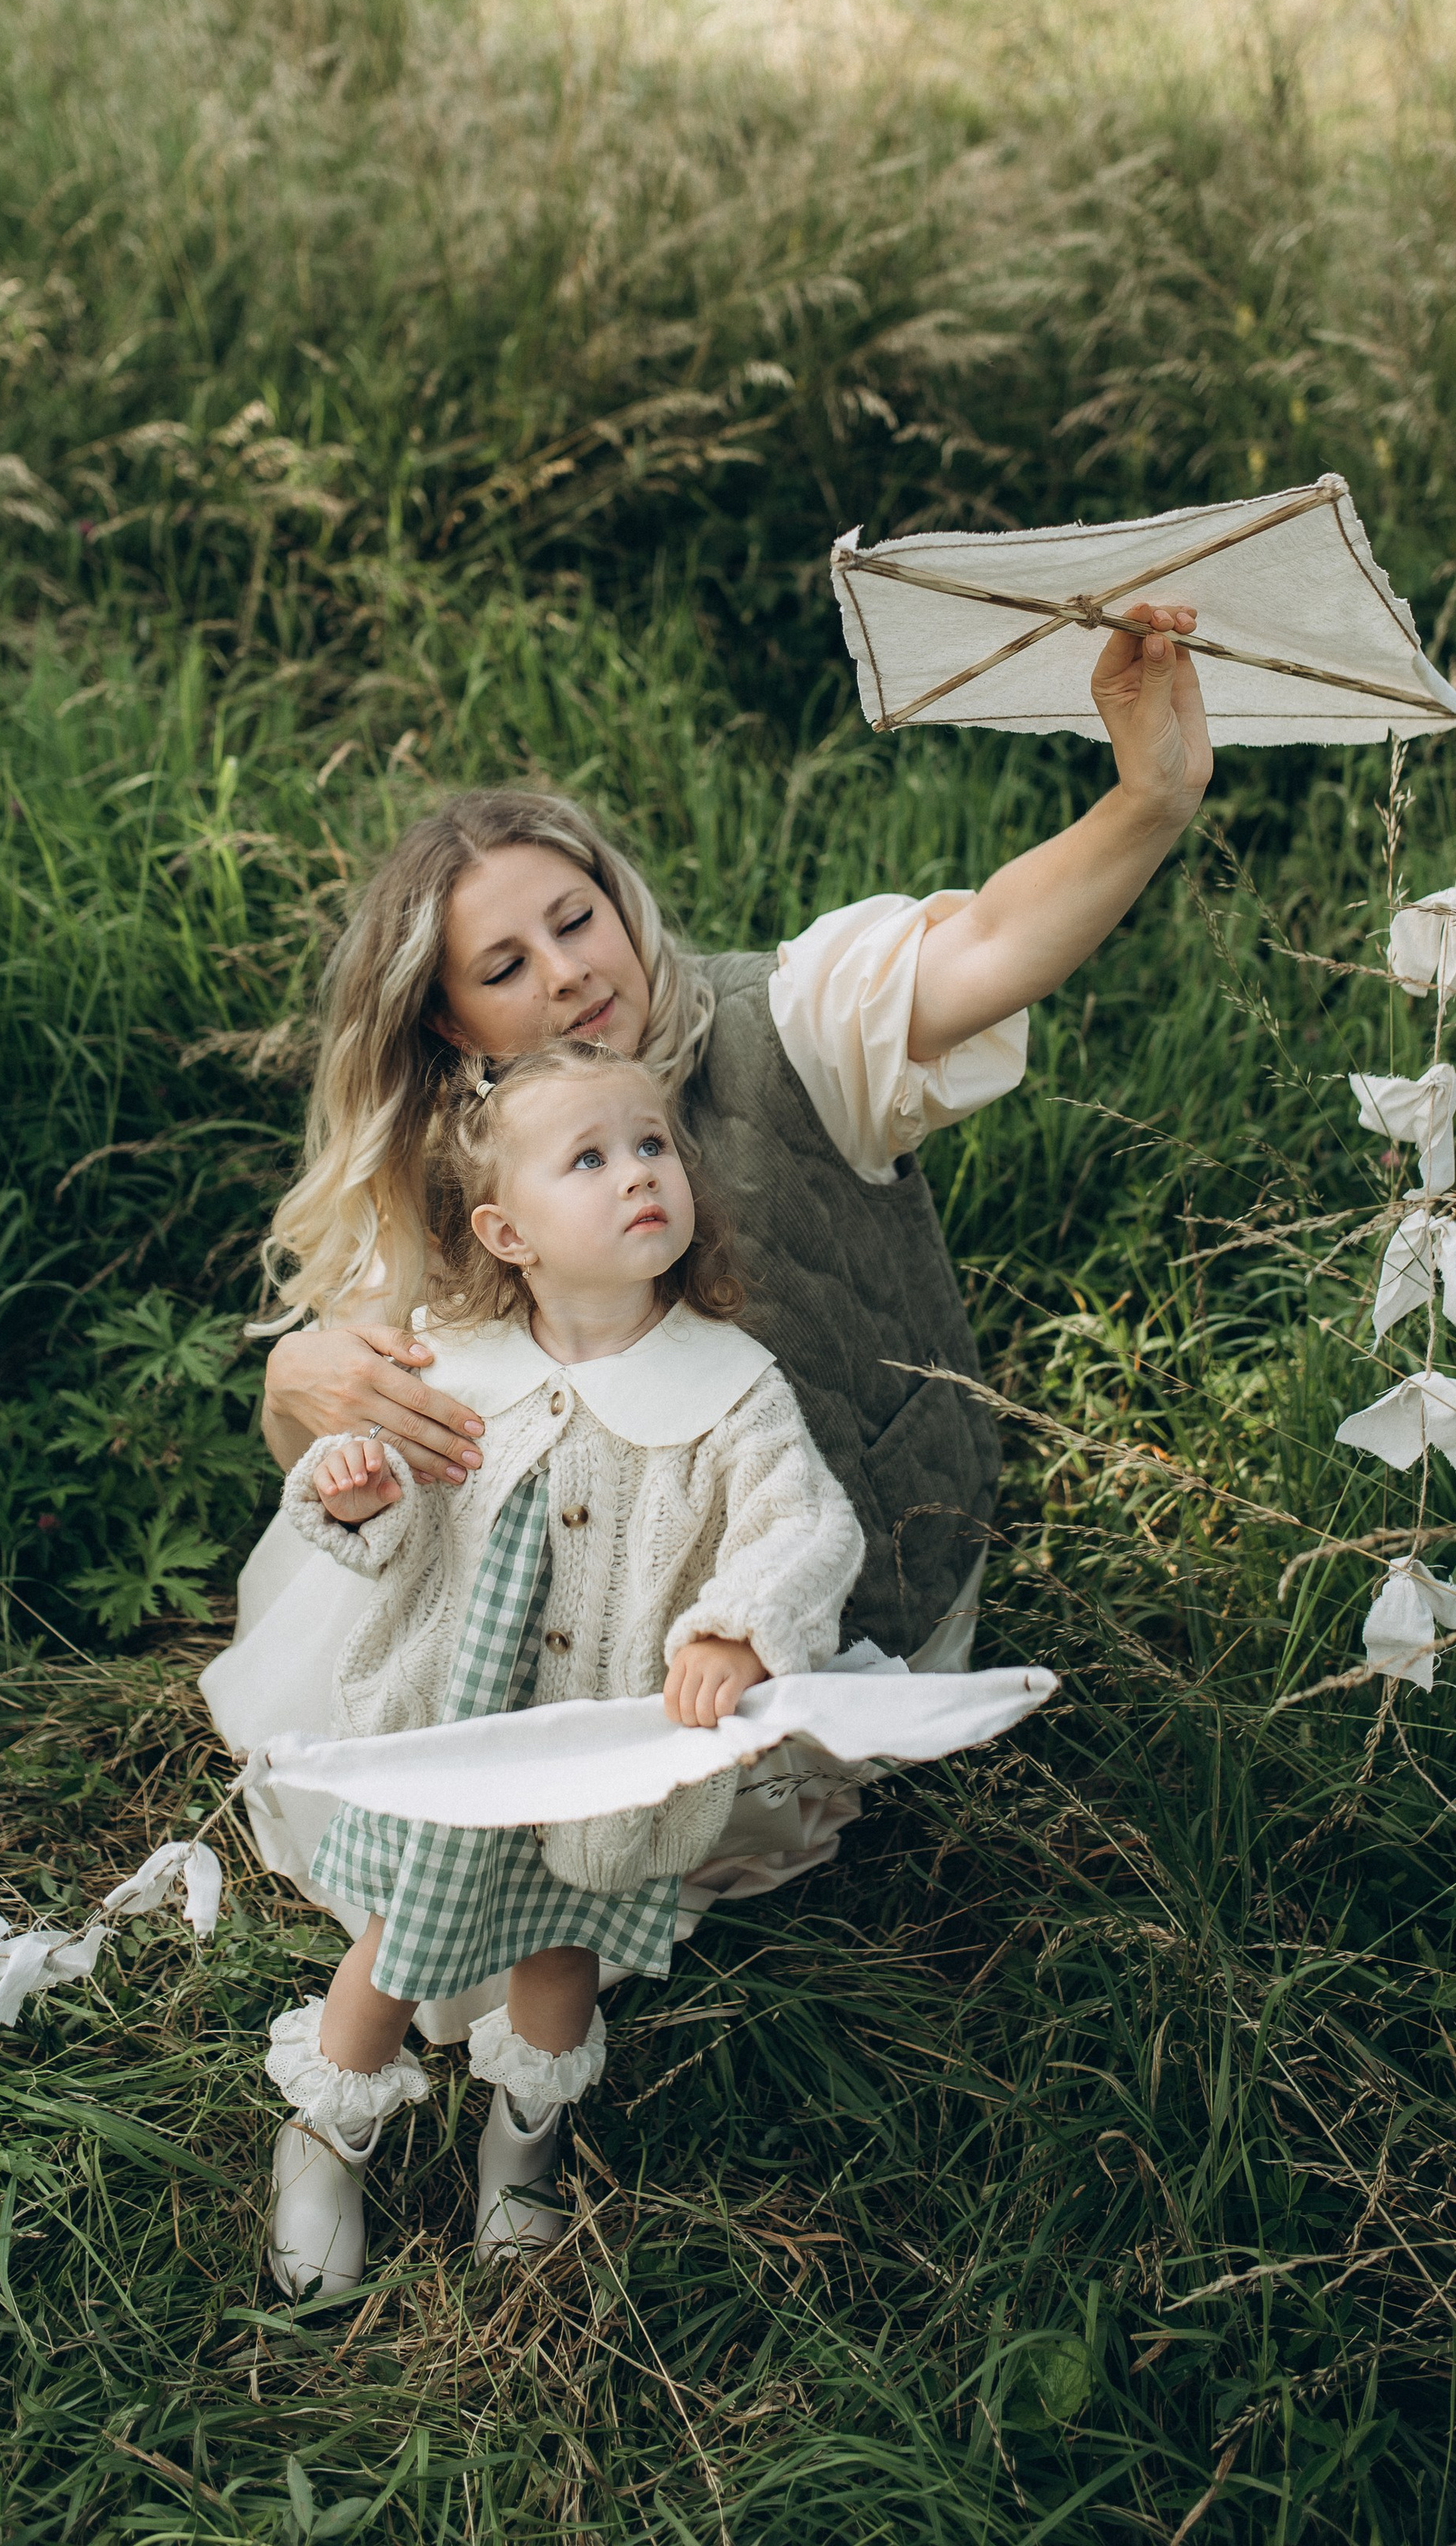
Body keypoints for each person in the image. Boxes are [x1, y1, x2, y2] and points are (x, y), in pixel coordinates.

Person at [249, 604, 1207, 1671]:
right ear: (446, 1020)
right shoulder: (440, 1173)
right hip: (570, 1641)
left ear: (619, 908)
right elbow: (345, 1443)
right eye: (505, 967)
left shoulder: (788, 1027)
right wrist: (298, 1384)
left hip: (855, 1606)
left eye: (575, 921)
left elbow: (988, 940)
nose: (565, 972)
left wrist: (1147, 803)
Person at [262, 1039, 863, 2291]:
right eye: (587, 1159)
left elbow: (801, 1524)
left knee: (562, 1950)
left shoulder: (731, 1387)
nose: (637, 1174)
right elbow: (395, 1537)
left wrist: (739, 1623)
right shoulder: (459, 1364)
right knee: (392, 1939)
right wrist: (368, 1493)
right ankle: (328, 2129)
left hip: (603, 1754)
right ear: (508, 1230)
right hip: (457, 1727)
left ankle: (522, 2152)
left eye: (651, 1146)